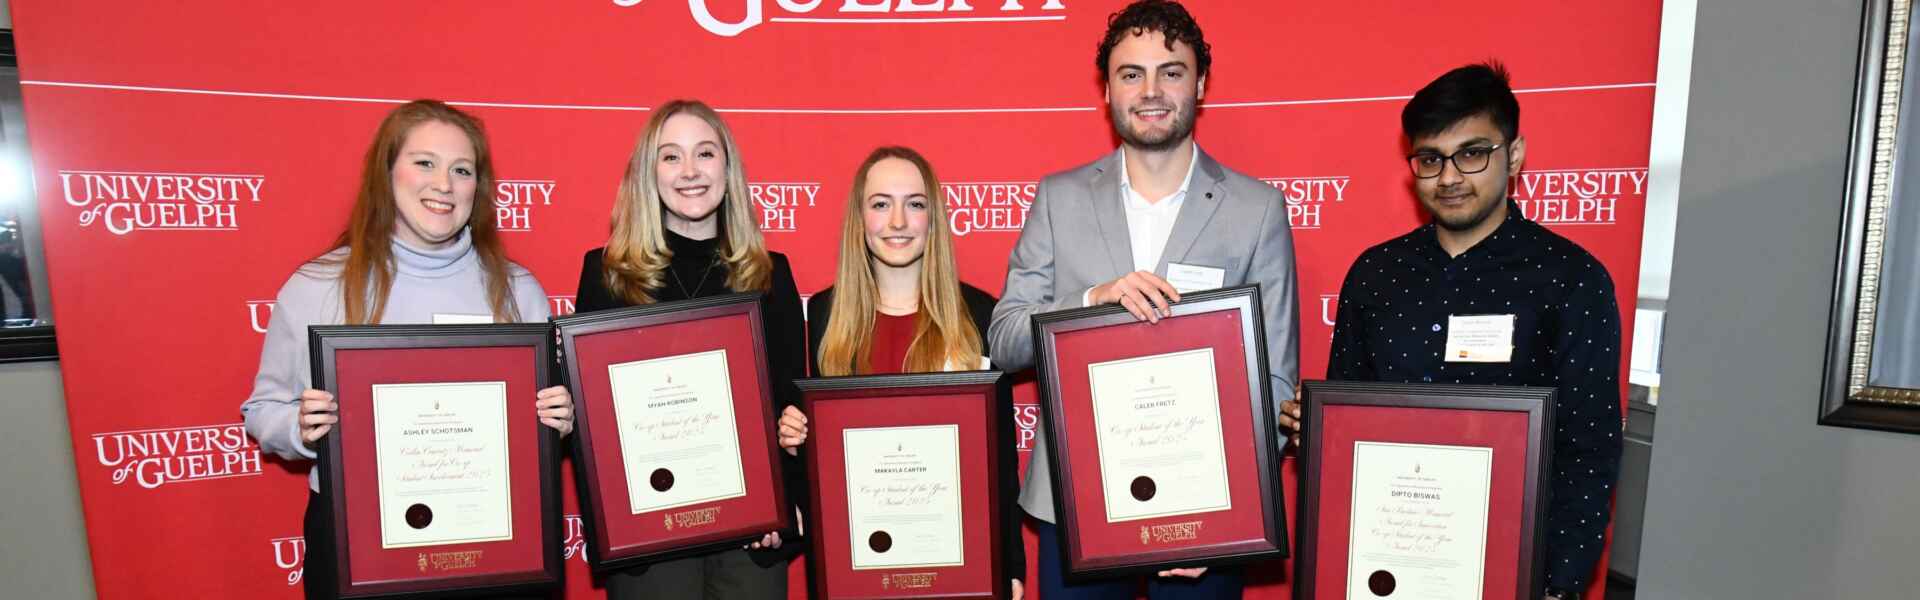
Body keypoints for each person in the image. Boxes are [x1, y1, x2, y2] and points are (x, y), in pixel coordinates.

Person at [985, 1, 1301, 597]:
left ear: (1200, 84)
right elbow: (1003, 340)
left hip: (1206, 509)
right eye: (1132, 73)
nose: (1151, 90)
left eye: (1171, 71)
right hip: (1076, 503)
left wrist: (1221, 521)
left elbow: (1276, 382)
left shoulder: (1258, 210)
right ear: (1107, 89)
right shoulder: (1058, 199)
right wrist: (1091, 301)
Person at [1280, 63, 1623, 600]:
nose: (1449, 177)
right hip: (1383, 563)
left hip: (1509, 571)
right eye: (1430, 159)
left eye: (1472, 153)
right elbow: (1349, 422)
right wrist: (1318, 429)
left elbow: (1589, 450)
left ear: (1514, 155)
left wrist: (1557, 584)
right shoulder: (1376, 274)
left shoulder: (1571, 278)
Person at [238, 100, 575, 600]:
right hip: (358, 540)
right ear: (387, 173)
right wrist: (301, 428)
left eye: (461, 170)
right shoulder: (317, 285)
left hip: (492, 533)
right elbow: (263, 411)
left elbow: (539, 416)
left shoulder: (516, 288)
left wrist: (559, 417)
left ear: (476, 189)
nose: (443, 183)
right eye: (424, 162)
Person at [572, 99, 807, 600]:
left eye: (705, 153)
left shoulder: (770, 273)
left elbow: (791, 407)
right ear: (648, 173)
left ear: (727, 168)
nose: (690, 171)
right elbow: (591, 417)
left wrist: (781, 506)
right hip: (648, 538)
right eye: (671, 156)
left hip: (751, 537)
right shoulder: (606, 274)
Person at [775, 146, 1025, 598]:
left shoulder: (980, 315)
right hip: (858, 562)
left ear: (933, 218)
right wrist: (798, 441)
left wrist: (1009, 563)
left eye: (914, 204)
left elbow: (1000, 460)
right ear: (860, 218)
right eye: (880, 204)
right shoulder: (828, 318)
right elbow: (827, 463)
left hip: (957, 559)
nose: (898, 222)